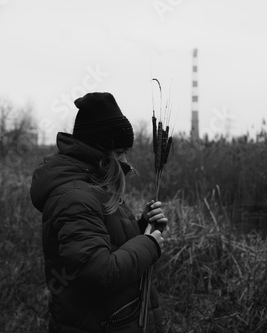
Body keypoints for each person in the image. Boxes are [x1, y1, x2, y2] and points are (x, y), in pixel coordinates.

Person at [30, 92, 167, 333]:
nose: (125, 161)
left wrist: (143, 225)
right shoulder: (75, 198)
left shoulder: (94, 188)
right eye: (119, 152)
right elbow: (99, 272)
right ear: (98, 151)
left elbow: (107, 244)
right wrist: (149, 245)